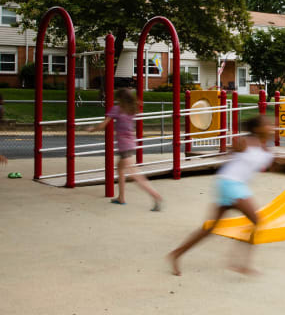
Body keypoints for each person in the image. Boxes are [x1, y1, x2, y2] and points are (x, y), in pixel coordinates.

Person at [168, 115, 273, 276]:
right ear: (257, 129)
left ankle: (176, 254)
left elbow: (268, 164)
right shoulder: (246, 142)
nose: (271, 127)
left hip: (230, 184)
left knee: (210, 228)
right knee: (256, 220)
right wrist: (234, 146)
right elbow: (235, 149)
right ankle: (241, 263)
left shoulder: (266, 151)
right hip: (231, 184)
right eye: (267, 124)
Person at [87, 88, 162, 210]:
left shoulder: (117, 109)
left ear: (119, 99)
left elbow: (102, 125)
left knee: (136, 176)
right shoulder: (132, 109)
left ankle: (156, 196)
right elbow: (139, 104)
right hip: (130, 144)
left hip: (125, 147)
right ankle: (121, 197)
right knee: (120, 169)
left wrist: (91, 129)